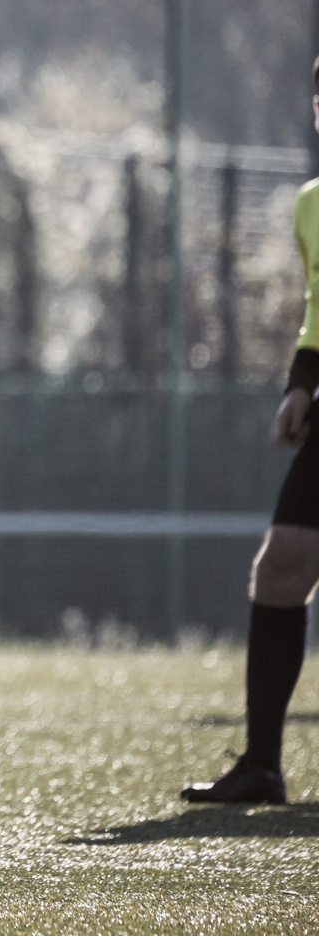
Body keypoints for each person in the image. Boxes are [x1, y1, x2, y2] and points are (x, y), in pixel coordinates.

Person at [182, 62, 319, 805]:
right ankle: (263, 765)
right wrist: (301, 384)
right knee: (283, 564)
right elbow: (318, 309)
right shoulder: (311, 206)